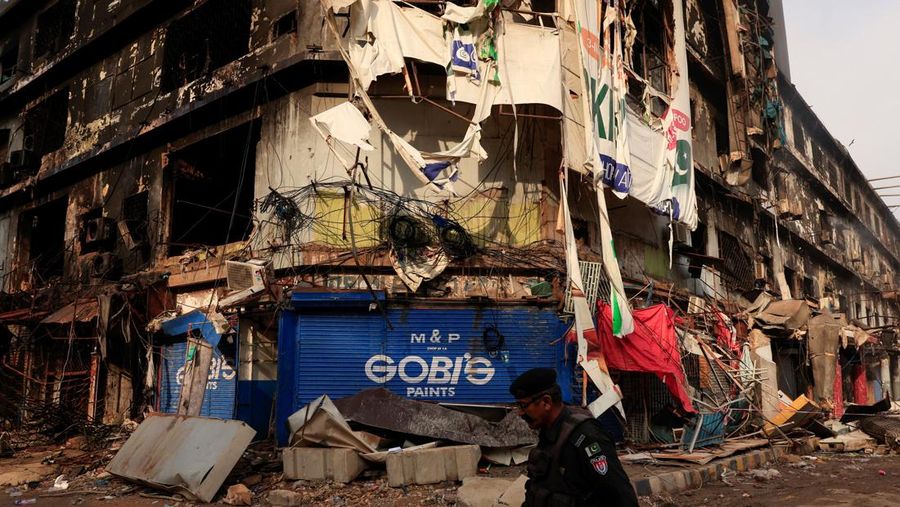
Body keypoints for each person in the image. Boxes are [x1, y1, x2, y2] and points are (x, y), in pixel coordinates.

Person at [510, 368, 638, 507]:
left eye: (523, 406)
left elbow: (619, 495)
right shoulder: (549, 432)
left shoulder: (586, 435)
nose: (520, 413)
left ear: (546, 402)